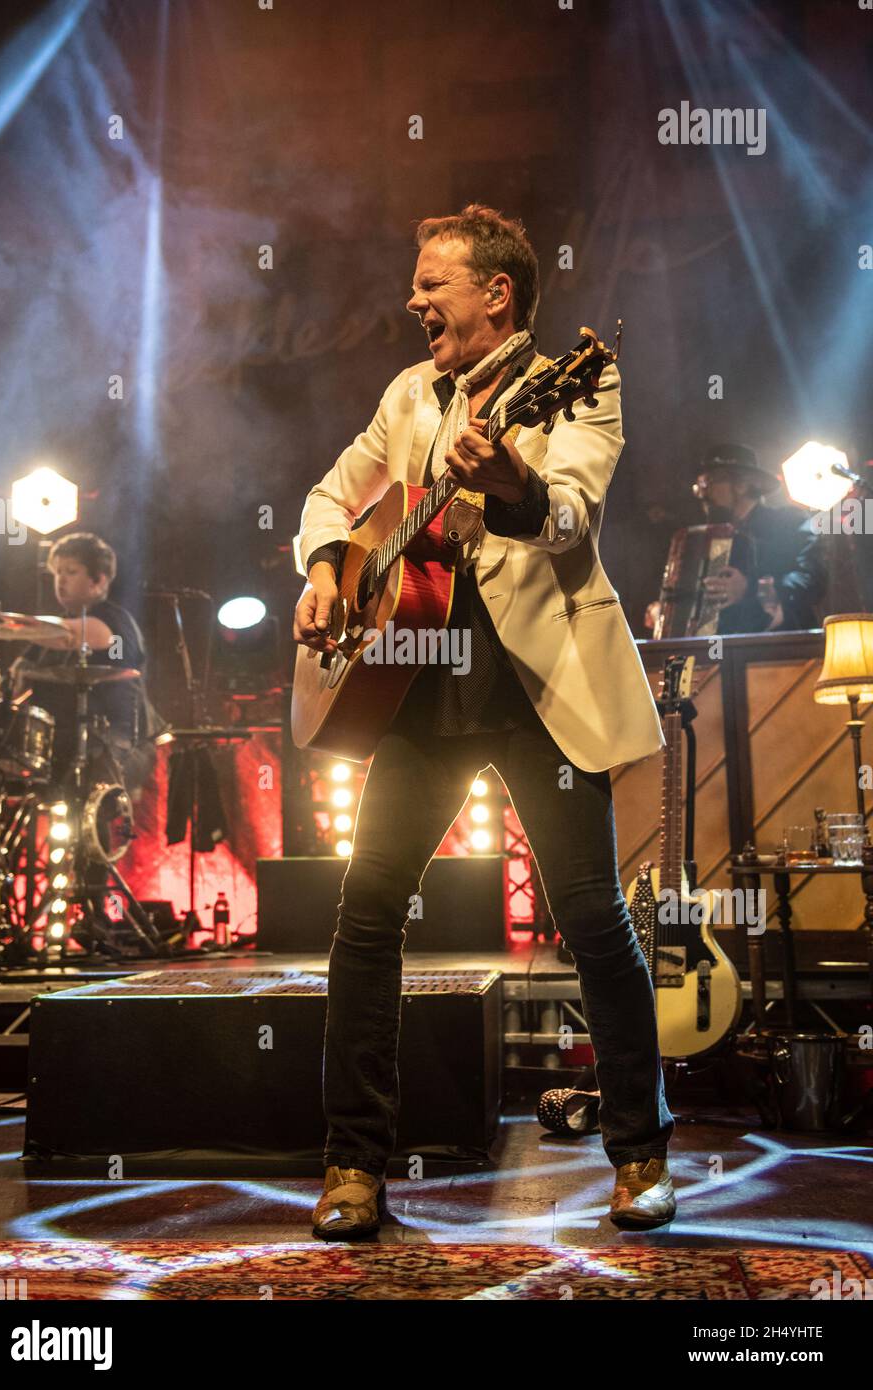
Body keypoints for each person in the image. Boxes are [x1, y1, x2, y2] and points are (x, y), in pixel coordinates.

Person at [294, 204, 675, 1238]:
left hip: (536, 694)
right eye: (415, 285)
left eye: (432, 284)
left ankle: (639, 1154)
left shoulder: (580, 387)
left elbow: (569, 516)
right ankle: (354, 1167)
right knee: (366, 917)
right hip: (420, 684)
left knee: (593, 921)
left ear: (496, 293)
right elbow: (334, 494)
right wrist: (332, 568)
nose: (413, 300)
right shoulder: (410, 396)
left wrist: (509, 478)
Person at [10, 532, 152, 795]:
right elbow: (11, 688)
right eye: (57, 572)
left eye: (71, 572)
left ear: (98, 581)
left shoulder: (114, 620)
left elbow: (74, 635)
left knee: (82, 790)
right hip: (61, 741)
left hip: (115, 744)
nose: (60, 580)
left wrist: (9, 627)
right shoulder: (46, 634)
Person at [646, 445, 825, 635]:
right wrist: (666, 610)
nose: (702, 494)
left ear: (741, 485)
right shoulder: (705, 539)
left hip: (783, 651)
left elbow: (811, 579)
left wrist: (751, 588)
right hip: (721, 654)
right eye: (699, 485)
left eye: (709, 482)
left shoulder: (790, 522)